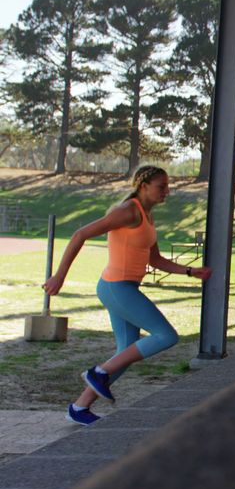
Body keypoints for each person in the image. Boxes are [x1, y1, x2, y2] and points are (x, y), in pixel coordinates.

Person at [43, 166, 211, 425]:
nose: (168, 191)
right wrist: (59, 276)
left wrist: (189, 271)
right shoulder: (128, 211)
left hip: (125, 288)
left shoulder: (147, 216)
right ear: (144, 185)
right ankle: (98, 372)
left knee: (125, 351)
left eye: (168, 186)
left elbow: (154, 259)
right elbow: (80, 234)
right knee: (166, 336)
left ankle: (79, 407)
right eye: (162, 186)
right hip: (116, 287)